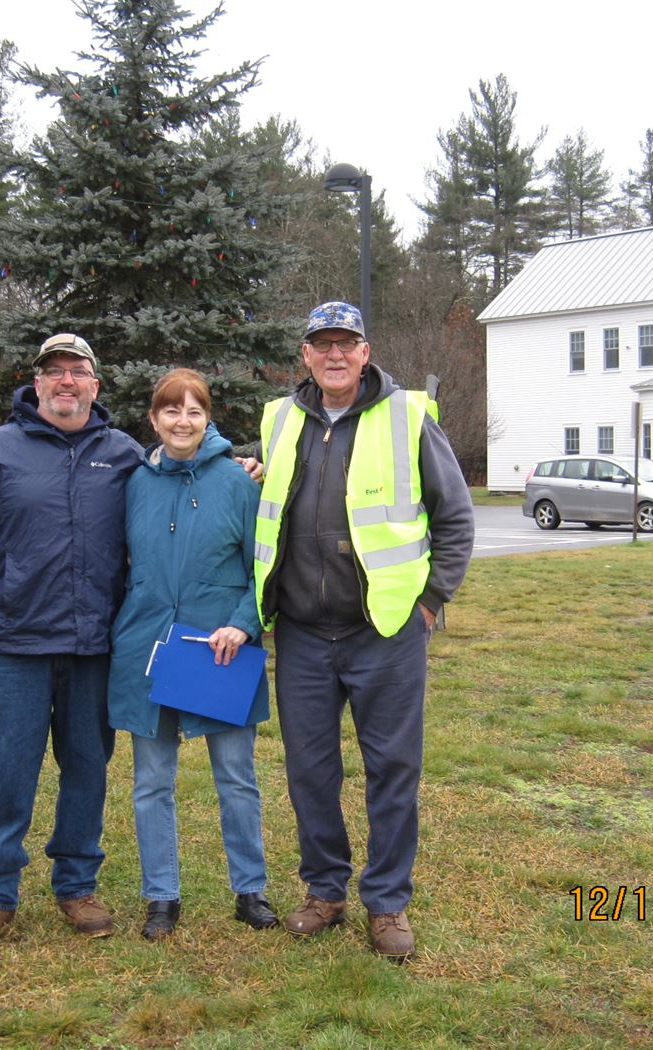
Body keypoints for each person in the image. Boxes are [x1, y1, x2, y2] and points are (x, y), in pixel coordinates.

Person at [253, 302, 475, 960]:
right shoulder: (279, 419)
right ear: (305, 356)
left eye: (345, 344)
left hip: (386, 631)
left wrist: (430, 602)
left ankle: (387, 903)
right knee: (310, 773)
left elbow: (456, 518)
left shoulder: (407, 416)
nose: (334, 355)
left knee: (392, 771)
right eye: (322, 345)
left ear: (366, 350)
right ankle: (324, 891)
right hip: (300, 634)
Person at [0, 332, 143, 952]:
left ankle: (76, 885)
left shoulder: (126, 455)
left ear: (95, 385)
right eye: (53, 372)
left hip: (93, 651)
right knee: (6, 773)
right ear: (36, 384)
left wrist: (232, 466)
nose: (65, 382)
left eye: (77, 371)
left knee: (87, 769)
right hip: (13, 646)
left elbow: (178, 494)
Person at [107, 368, 278, 941]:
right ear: (153, 420)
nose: (183, 421)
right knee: (152, 781)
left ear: (208, 419)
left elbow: (266, 567)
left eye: (194, 411)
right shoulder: (134, 483)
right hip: (149, 652)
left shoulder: (238, 483)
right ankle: (161, 897)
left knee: (236, 776)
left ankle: (249, 890)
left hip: (218, 654)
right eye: (171, 411)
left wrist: (243, 625)